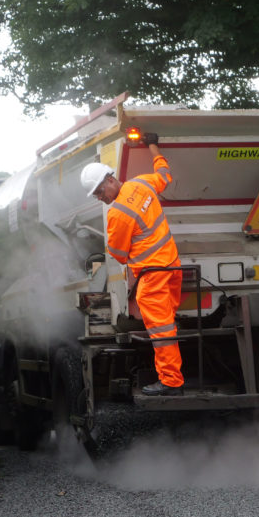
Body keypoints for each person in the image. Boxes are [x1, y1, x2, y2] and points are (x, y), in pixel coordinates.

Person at [80, 133, 184, 396]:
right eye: (95, 194)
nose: (99, 198)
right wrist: (153, 146)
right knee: (168, 325)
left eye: (100, 191)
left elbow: (118, 254)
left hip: (152, 276)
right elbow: (164, 174)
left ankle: (171, 381)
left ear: (111, 179)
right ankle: (172, 373)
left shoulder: (118, 214)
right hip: (173, 266)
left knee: (161, 329)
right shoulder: (143, 184)